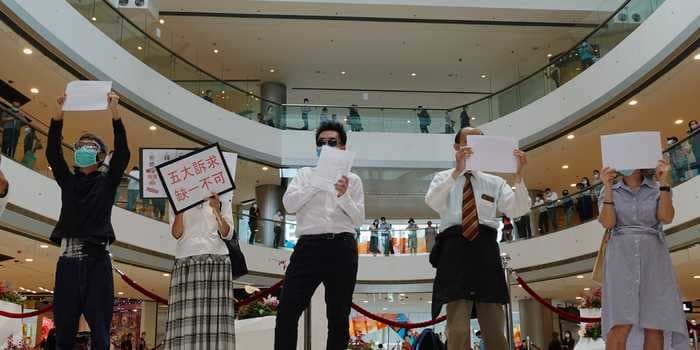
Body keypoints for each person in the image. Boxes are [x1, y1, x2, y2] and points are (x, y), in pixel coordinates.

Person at [426, 127, 530, 350]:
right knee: (458, 330)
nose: (475, 146)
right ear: (456, 148)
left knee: (494, 328)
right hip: (454, 252)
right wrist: (457, 171)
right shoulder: (444, 178)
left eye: (480, 141)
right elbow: (433, 202)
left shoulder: (495, 182)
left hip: (485, 252)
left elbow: (518, 208)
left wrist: (518, 176)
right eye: (468, 141)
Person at [48, 92, 130, 349]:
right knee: (63, 331)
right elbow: (52, 153)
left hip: (97, 263)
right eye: (79, 145)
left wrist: (115, 112)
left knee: (101, 331)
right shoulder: (68, 180)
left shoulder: (107, 182)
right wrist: (59, 114)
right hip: (68, 264)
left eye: (90, 146)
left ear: (101, 155)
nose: (82, 149)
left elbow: (124, 153)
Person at [274, 120, 365, 350]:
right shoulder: (304, 175)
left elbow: (358, 219)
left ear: (343, 148)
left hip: (342, 248)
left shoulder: (353, 181)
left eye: (332, 142)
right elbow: (289, 204)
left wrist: (343, 195)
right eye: (321, 143)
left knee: (338, 316)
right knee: (287, 310)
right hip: (308, 248)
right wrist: (318, 182)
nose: (325, 146)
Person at [598, 161, 688, 350]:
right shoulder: (610, 190)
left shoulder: (657, 188)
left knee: (654, 324)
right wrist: (607, 187)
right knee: (620, 324)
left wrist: (664, 182)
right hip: (621, 259)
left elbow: (666, 217)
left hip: (653, 257)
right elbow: (608, 222)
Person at [165, 191, 236, 348]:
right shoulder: (177, 193)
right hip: (186, 260)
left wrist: (217, 209)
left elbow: (228, 233)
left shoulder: (222, 195)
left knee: (215, 321)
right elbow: (176, 233)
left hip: (216, 261)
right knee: (185, 320)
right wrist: (181, 208)